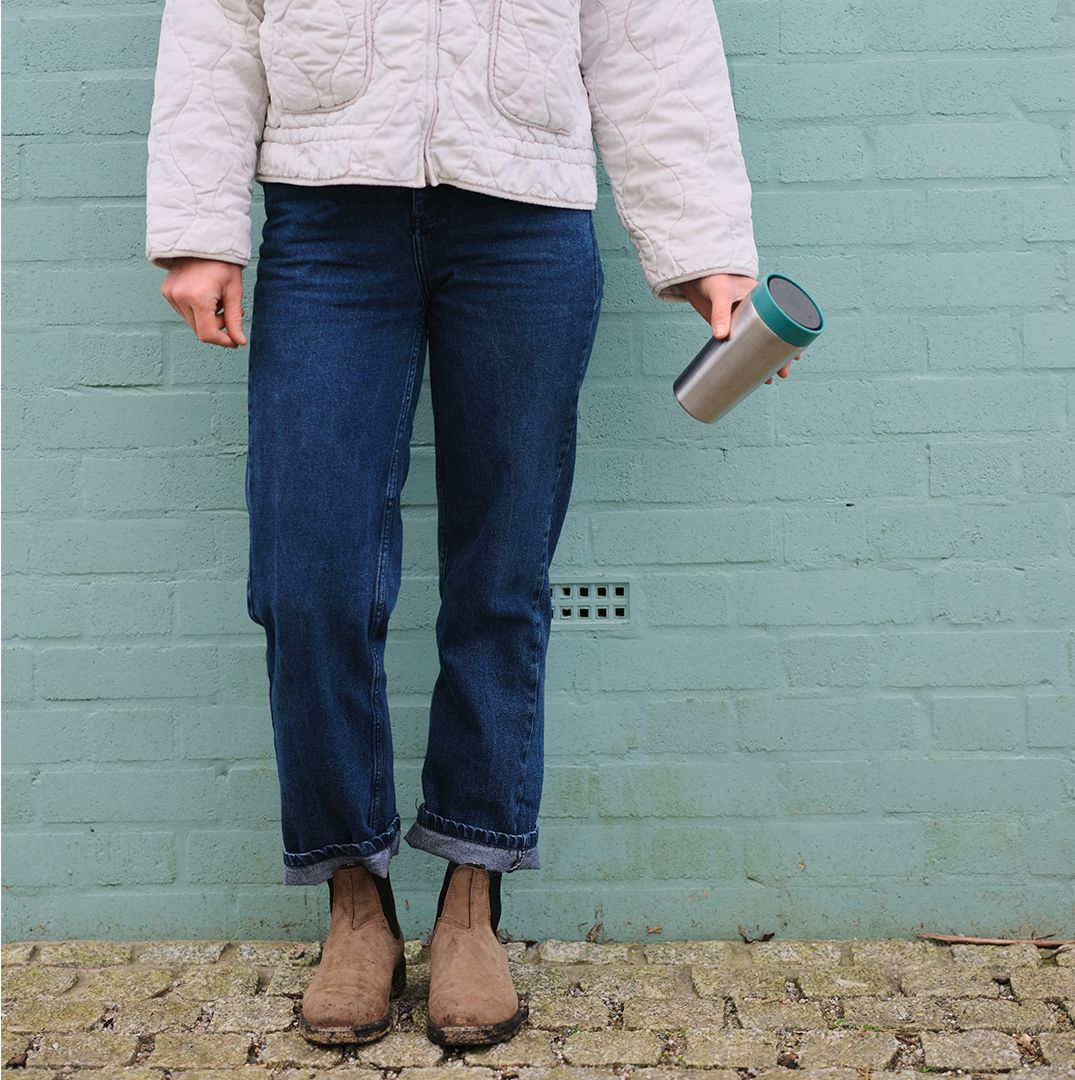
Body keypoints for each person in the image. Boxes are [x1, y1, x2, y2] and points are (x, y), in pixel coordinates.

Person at [144, 0, 793, 1050]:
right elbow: (215, 23)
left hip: (524, 224)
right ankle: (355, 896)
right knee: (309, 578)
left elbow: (651, 35)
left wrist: (706, 243)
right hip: (328, 219)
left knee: (501, 577)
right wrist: (197, 228)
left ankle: (473, 893)